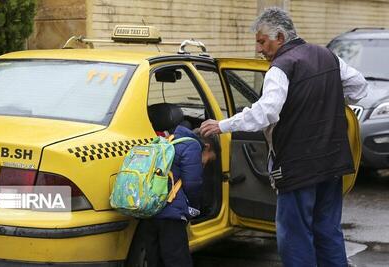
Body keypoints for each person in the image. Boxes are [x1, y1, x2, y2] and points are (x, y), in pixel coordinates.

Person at [200, 7, 368, 267]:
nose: (259, 49)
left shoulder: (281, 66)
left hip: (297, 168)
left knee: (295, 237)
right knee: (328, 231)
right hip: (333, 165)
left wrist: (223, 125)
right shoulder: (327, 55)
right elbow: (359, 87)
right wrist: (324, 99)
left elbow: (266, 112)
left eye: (262, 41)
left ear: (279, 37)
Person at [142, 125, 216, 267]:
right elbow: (193, 183)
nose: (204, 164)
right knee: (177, 259)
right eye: (208, 159)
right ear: (206, 147)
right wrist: (193, 209)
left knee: (155, 259)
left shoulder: (169, 141)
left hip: (150, 210)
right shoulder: (192, 146)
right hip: (172, 215)